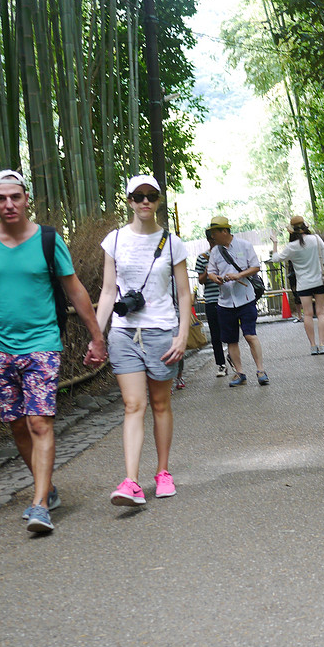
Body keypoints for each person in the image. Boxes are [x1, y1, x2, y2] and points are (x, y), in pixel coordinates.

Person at [0, 169, 107, 535]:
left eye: (15, 197)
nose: (9, 204)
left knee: (39, 421)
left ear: (26, 198)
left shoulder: (48, 240)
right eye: (1, 198)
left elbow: (76, 291)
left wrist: (96, 338)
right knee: (17, 424)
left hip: (42, 344)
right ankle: (47, 487)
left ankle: (39, 504)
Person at [95, 175, 193, 507]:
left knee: (161, 404)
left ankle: (163, 472)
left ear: (159, 200)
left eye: (151, 196)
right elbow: (108, 292)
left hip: (161, 332)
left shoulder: (172, 242)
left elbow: (183, 293)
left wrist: (182, 335)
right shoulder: (115, 240)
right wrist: (97, 334)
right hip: (123, 333)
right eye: (138, 196)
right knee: (133, 405)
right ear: (129, 201)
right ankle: (131, 481)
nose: (145, 202)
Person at [206, 215, 269, 387]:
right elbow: (210, 271)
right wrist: (216, 278)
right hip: (225, 302)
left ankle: (261, 370)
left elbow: (255, 266)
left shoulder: (245, 246)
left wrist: (239, 275)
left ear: (224, 231)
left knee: (250, 335)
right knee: (231, 339)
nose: (212, 237)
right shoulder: (215, 251)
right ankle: (239, 373)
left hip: (246, 298)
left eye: (214, 233)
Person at [270, 216, 324, 355]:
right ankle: (322, 345)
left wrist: (275, 242)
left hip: (303, 284)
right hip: (320, 281)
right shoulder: (317, 239)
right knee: (321, 312)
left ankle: (313, 346)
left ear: (292, 231)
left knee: (308, 315)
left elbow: (275, 259)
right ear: (305, 226)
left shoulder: (292, 247)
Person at [195, 229, 227, 377]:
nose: (215, 243)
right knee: (215, 335)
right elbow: (200, 281)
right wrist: (206, 272)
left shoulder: (226, 254)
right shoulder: (202, 257)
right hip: (211, 299)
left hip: (227, 298)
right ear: (209, 240)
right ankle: (221, 364)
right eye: (212, 241)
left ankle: (232, 357)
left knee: (229, 331)